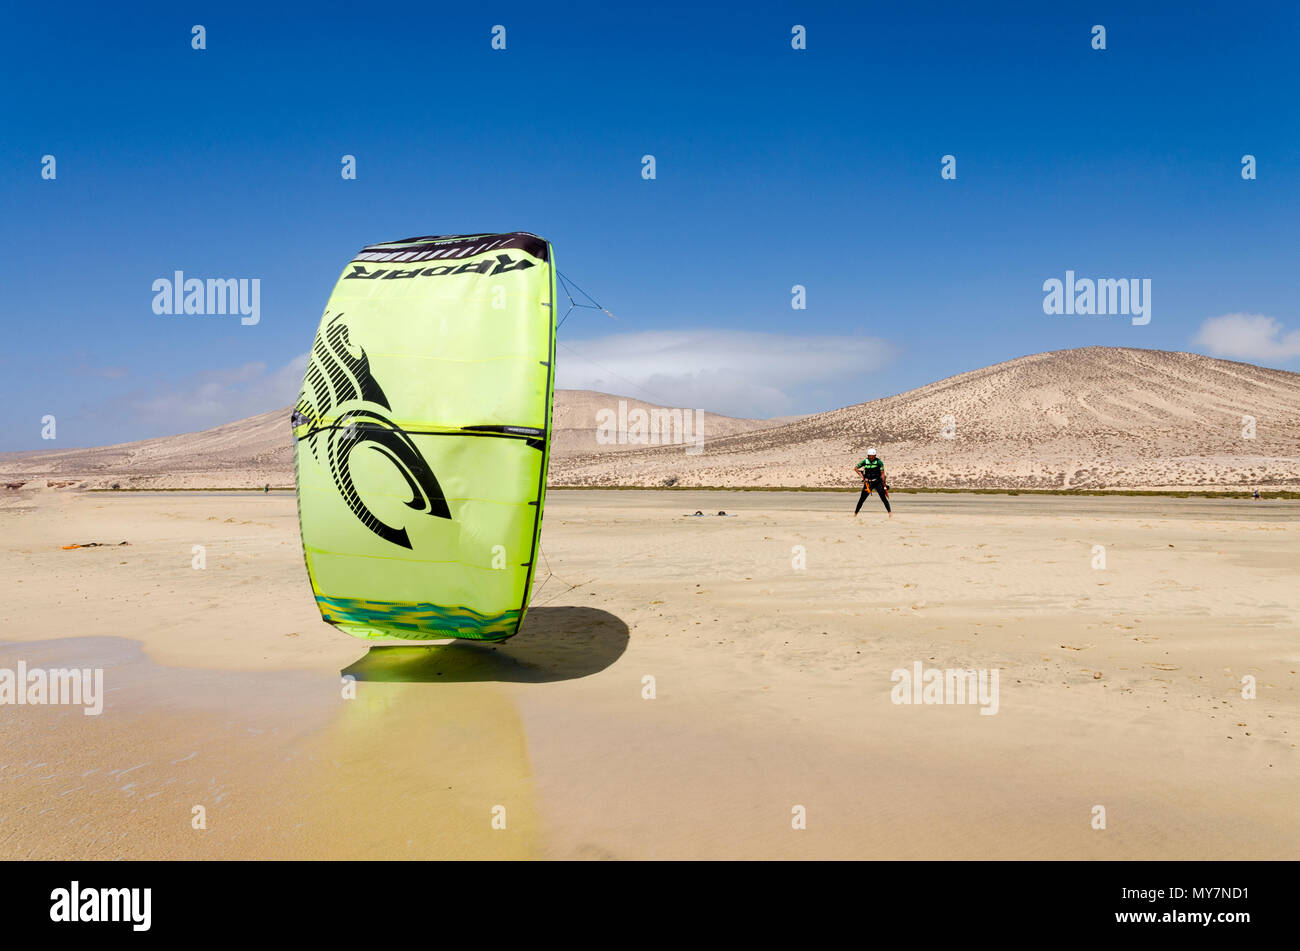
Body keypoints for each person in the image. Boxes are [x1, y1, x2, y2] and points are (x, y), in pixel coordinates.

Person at [853, 448, 891, 516]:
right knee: (862, 499)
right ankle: (855, 514)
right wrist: (862, 477)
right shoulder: (865, 461)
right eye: (869, 456)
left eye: (872, 456)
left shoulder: (879, 462)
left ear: (875, 455)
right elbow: (855, 468)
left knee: (883, 498)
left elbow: (882, 473)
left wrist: (884, 483)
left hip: (877, 482)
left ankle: (890, 513)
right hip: (868, 483)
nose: (871, 457)